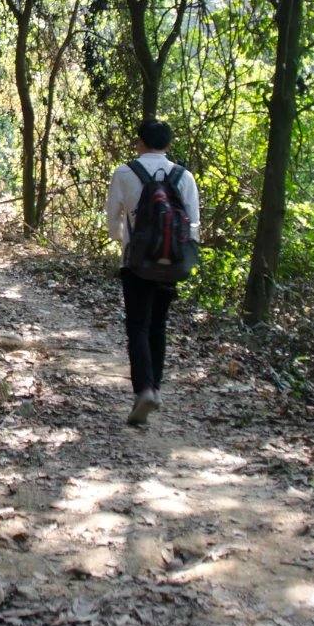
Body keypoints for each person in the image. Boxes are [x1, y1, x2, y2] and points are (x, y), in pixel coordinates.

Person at [103, 118, 201, 428]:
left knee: (137, 326)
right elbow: (194, 224)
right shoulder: (184, 177)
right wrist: (180, 256)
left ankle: (143, 389)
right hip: (171, 263)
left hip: (136, 264)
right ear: (168, 144)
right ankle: (155, 388)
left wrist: (127, 241)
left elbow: (112, 222)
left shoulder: (125, 173)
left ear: (140, 142)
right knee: (159, 324)